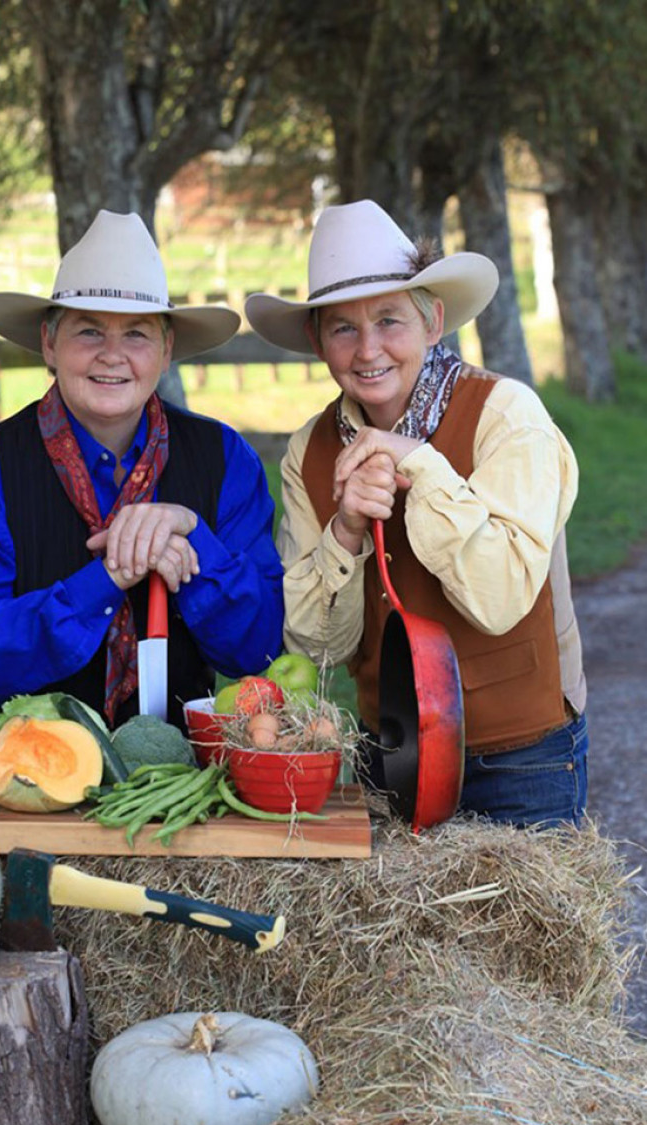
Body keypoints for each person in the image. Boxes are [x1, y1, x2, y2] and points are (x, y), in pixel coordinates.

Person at [245, 198, 587, 828]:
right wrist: (346, 531)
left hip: (521, 757)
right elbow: (315, 651)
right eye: (343, 328)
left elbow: (502, 597)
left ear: (433, 321)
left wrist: (422, 466)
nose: (368, 348)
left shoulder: (507, 415)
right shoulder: (309, 451)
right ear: (318, 341)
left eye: (389, 320)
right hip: (391, 751)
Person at [0, 210, 284, 775]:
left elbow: (258, 649)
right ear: (49, 343)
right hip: (21, 777)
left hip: (182, 782)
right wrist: (108, 579)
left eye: (136, 334)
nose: (112, 355)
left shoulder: (225, 459)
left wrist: (191, 539)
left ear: (165, 352)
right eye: (89, 330)